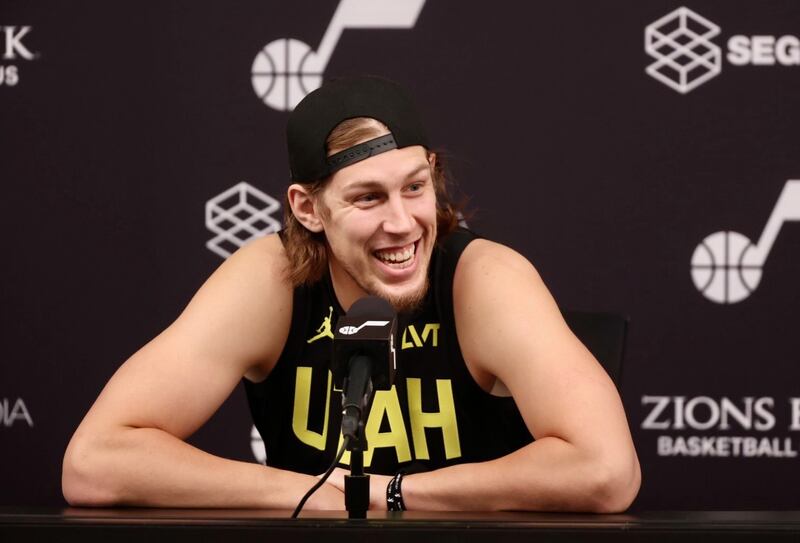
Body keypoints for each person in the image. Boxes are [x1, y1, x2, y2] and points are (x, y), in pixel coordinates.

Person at [62, 76, 640, 512]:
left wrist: (389, 494)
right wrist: (307, 494)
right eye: (367, 198)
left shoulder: (482, 279)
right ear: (307, 209)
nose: (404, 223)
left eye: (415, 187)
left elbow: (607, 470)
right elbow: (93, 463)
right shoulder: (273, 280)